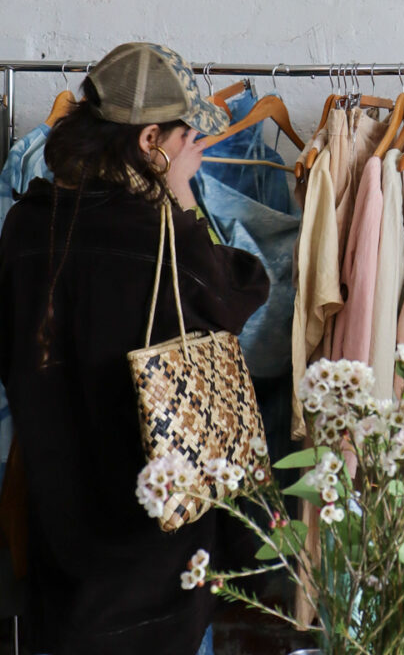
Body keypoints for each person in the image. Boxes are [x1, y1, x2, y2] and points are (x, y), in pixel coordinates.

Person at [0, 42, 269, 655]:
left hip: (57, 543)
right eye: (183, 138)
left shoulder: (25, 226)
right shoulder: (161, 234)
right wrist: (181, 196)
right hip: (153, 561)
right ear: (152, 140)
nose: (189, 151)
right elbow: (237, 297)